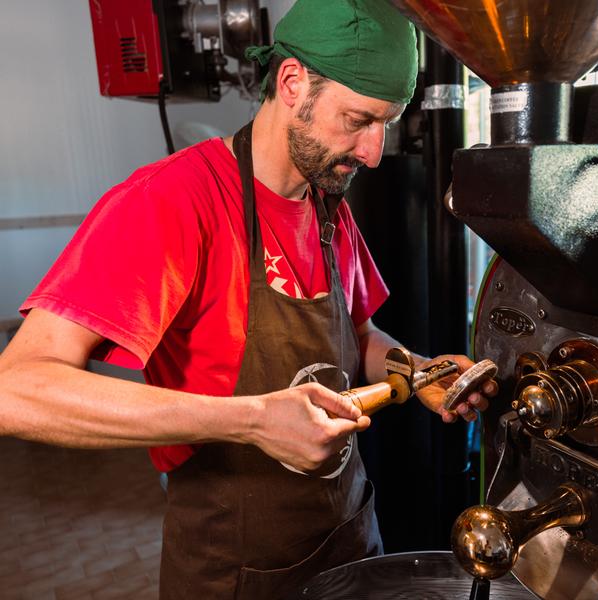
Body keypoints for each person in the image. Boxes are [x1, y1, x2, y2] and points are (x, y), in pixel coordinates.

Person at [0, 0, 494, 598]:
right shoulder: (173, 202)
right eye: (358, 120)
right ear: (291, 83)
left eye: (384, 124)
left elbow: (358, 337)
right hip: (237, 570)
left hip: (351, 539)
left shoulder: (327, 205)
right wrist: (254, 420)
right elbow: (18, 390)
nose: (372, 151)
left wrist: (418, 373)